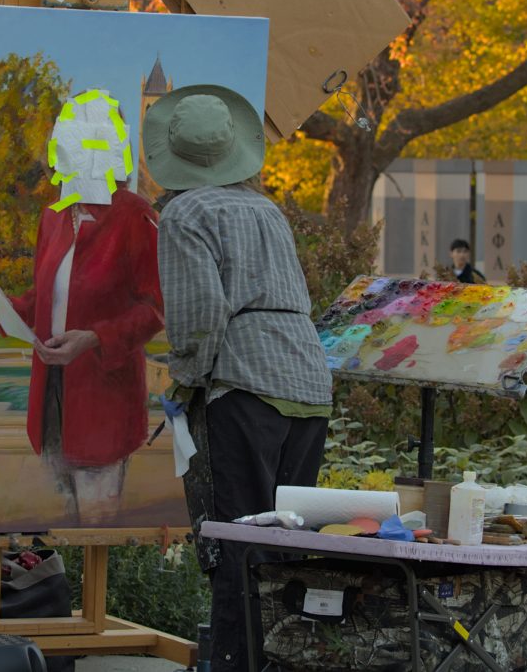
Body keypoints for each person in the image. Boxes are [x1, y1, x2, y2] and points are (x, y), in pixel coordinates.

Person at [144, 84, 333, 672]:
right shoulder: (265, 208)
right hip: (306, 380)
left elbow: (199, 316)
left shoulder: (183, 213)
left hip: (245, 388)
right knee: (286, 546)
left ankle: (234, 663)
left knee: (237, 545)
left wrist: (186, 380)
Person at [0, 89, 163, 525]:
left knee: (95, 531)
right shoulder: (53, 216)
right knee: (60, 529)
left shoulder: (134, 215)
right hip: (52, 398)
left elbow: (156, 309)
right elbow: (41, 304)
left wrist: (95, 339)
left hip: (104, 401)